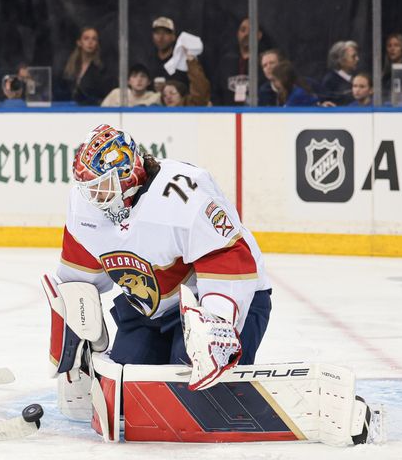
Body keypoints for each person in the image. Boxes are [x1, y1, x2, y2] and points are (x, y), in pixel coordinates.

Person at [52, 124, 271, 390]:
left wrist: (216, 324)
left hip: (215, 303)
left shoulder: (184, 195)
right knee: (125, 393)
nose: (94, 197)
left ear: (129, 175)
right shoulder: (84, 206)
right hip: (148, 311)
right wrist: (76, 333)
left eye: (102, 186)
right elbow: (78, 281)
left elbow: (229, 259)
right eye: (89, 187)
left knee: (191, 396)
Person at [61, 26, 111, 106]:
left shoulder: (102, 68)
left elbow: (106, 97)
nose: (90, 42)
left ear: (97, 43)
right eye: (86, 38)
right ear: (79, 42)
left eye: (94, 39)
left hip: (93, 110)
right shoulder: (68, 66)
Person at [146, 16, 189, 89]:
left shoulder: (182, 61)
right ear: (153, 36)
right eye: (157, 33)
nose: (161, 37)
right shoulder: (147, 61)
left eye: (165, 33)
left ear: (173, 37)